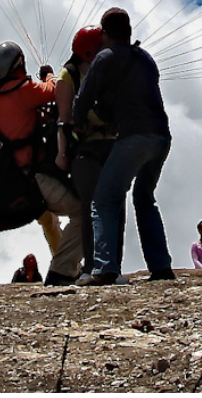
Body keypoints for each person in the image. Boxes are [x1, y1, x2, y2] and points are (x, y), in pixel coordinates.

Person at [73, 8, 174, 286]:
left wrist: (78, 121)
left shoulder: (104, 58)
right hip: (162, 137)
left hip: (134, 138)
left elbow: (83, 99)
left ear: (105, 34)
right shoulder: (146, 59)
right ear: (129, 30)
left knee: (104, 200)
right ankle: (161, 266)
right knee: (144, 199)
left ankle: (105, 268)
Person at [0, 41, 83, 284]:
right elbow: (55, 90)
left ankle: (69, 266)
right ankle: (62, 270)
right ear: (19, 64)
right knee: (83, 213)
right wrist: (49, 74)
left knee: (50, 222)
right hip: (34, 180)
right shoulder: (21, 89)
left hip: (16, 180)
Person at [58, 26, 123, 286]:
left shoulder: (111, 71)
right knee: (91, 206)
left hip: (113, 145)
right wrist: (62, 154)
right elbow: (63, 120)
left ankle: (113, 266)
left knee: (117, 206)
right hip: (85, 149)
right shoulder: (69, 76)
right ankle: (91, 266)